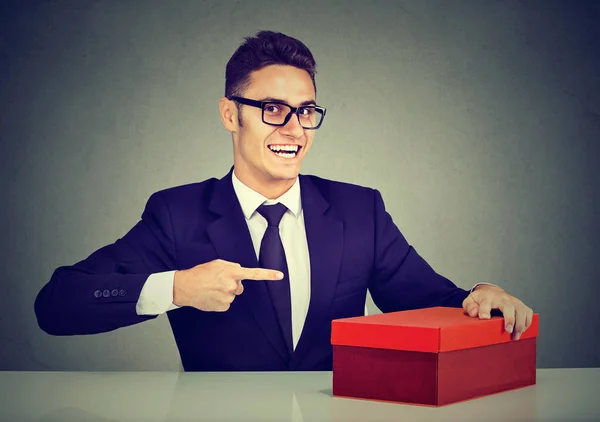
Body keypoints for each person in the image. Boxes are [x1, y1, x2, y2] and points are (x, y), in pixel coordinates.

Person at [34, 30, 534, 371]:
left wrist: (481, 296)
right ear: (231, 115)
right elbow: (57, 305)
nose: (294, 129)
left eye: (307, 110)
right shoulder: (176, 215)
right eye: (273, 109)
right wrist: (176, 288)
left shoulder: (360, 212)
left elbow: (434, 303)